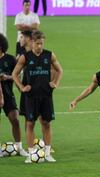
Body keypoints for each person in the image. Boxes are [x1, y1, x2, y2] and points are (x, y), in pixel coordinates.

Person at [12, 30, 63, 163]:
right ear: (31, 42)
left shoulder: (49, 55)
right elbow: (14, 74)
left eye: (41, 43)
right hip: (31, 96)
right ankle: (31, 154)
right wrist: (22, 88)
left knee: (46, 123)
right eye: (37, 43)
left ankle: (47, 153)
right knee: (30, 123)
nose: (39, 46)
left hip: (46, 95)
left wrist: (55, 83)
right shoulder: (25, 57)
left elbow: (59, 70)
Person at [0, 33, 28, 157]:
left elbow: (16, 76)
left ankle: (19, 147)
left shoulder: (10, 60)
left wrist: (7, 77)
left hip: (7, 95)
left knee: (15, 119)